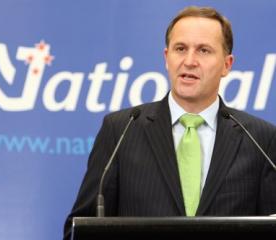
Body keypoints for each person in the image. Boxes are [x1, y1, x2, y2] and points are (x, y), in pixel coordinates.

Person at [64, 5, 276, 238]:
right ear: (167, 58)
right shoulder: (121, 129)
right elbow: (81, 228)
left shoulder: (259, 138)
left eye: (204, 50)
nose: (189, 61)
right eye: (180, 48)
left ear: (227, 64)